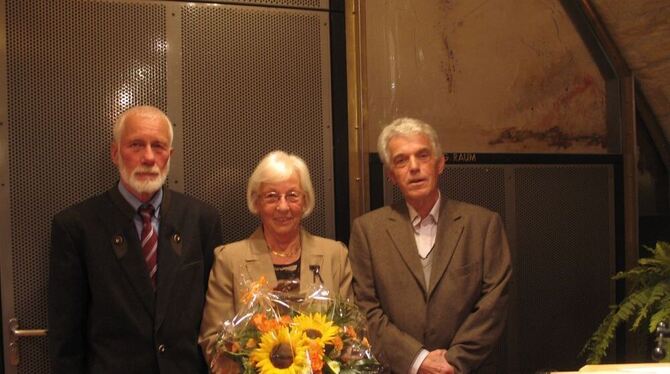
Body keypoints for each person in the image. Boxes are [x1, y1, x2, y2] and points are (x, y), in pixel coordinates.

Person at [48, 105, 223, 374]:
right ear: (115, 153)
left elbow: (215, 321)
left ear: (170, 155)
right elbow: (66, 338)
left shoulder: (202, 220)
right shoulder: (76, 227)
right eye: (136, 145)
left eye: (159, 146)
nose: (149, 157)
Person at [348, 118, 512, 374]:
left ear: (440, 163)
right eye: (401, 160)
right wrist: (418, 361)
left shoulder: (483, 225)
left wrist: (453, 362)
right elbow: (366, 310)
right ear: (391, 175)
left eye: (422, 156)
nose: (414, 167)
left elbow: (494, 303)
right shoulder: (367, 231)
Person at [198, 150, 353, 370]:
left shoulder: (334, 255)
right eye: (271, 196)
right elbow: (213, 341)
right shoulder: (229, 260)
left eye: (292, 195)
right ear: (256, 202)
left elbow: (349, 334)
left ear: (305, 201)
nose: (283, 206)